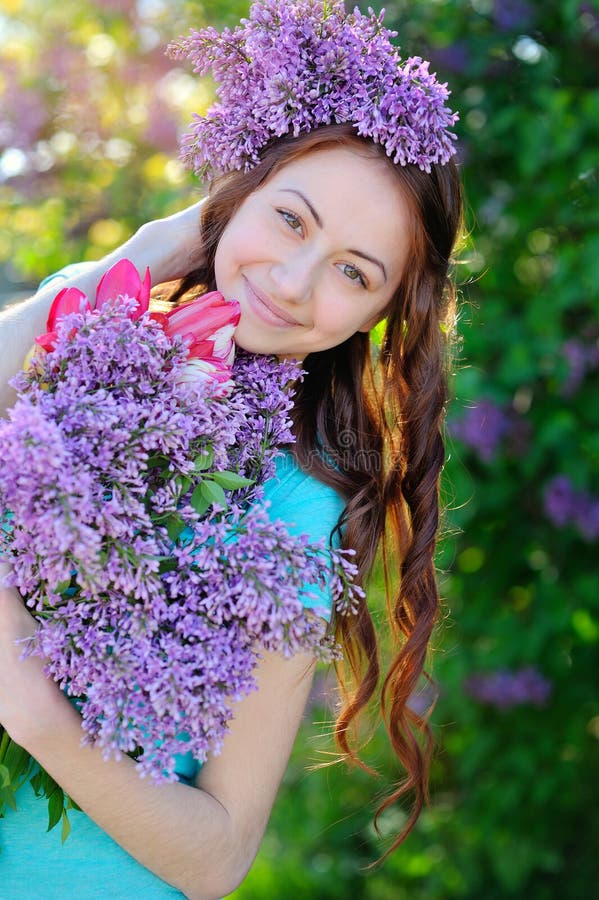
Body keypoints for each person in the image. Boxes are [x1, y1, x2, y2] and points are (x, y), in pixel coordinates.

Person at [0, 1, 463, 897]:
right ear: (236, 190)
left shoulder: (295, 505)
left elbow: (216, 858)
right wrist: (138, 254)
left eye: (354, 272)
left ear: (377, 318)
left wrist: (33, 708)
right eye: (289, 219)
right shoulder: (82, 330)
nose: (294, 284)